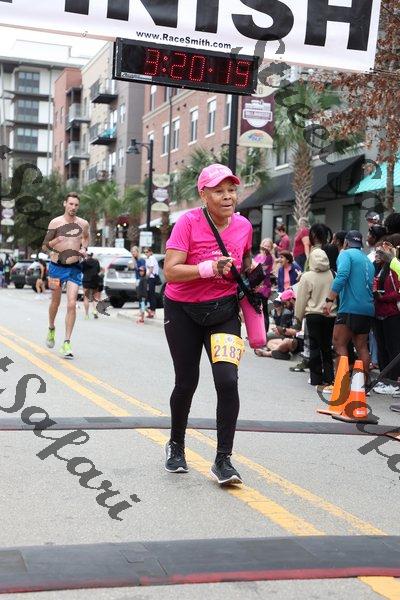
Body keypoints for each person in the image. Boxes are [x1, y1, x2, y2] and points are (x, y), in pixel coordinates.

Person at [163, 163, 255, 486]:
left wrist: (254, 276)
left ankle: (223, 460)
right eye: (219, 191)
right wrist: (208, 268)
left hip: (224, 311)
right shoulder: (187, 223)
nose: (228, 196)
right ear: (204, 195)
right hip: (182, 311)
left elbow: (245, 260)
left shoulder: (244, 226)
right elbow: (171, 271)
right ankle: (176, 445)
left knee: (228, 381)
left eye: (231, 190)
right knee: (186, 381)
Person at [42, 192, 89, 359]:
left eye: (76, 205)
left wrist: (84, 249)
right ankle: (51, 327)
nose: (73, 207)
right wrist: (57, 240)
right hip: (56, 268)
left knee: (71, 304)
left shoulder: (83, 224)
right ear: (65, 204)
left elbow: (86, 238)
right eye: (71, 204)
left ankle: (67, 342)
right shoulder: (55, 223)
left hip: (74, 268)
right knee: (55, 302)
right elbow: (45, 246)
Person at [323, 230, 375, 377]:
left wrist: (329, 300)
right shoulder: (367, 260)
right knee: (362, 347)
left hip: (350, 307)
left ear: (346, 242)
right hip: (367, 308)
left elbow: (342, 276)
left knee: (339, 343)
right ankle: (363, 384)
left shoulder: (345, 254)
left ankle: (341, 384)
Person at [295, 249, 336, 387]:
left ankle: (315, 378)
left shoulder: (307, 276)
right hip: (330, 314)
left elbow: (301, 300)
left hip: (313, 315)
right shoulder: (332, 274)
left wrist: (298, 318)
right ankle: (329, 377)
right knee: (326, 346)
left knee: (314, 346)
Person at [371, 239, 400, 395]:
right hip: (379, 313)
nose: (377, 255)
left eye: (380, 252)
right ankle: (384, 378)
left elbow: (397, 292)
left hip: (391, 313)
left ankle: (393, 382)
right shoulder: (378, 268)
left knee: (392, 348)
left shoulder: (394, 268)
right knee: (381, 347)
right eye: (376, 252)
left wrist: (383, 297)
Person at [253, 238, 274, 334]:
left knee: (264, 310)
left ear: (271, 248)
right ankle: (257, 332)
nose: (266, 247)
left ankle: (264, 333)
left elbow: (261, 269)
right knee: (256, 311)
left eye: (268, 246)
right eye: (265, 245)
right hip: (256, 286)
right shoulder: (258, 256)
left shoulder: (269, 257)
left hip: (264, 287)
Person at [81, 252, 101, 320]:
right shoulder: (96, 261)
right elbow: (98, 270)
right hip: (95, 280)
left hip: (86, 280)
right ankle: (95, 310)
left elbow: (82, 271)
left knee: (86, 298)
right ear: (92, 255)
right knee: (95, 297)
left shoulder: (84, 262)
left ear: (87, 255)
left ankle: (86, 315)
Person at [144, 247, 159, 318]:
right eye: (145, 252)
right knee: (149, 294)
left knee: (151, 294)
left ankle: (153, 311)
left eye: (147, 252)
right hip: (149, 278)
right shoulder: (148, 259)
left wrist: (146, 277)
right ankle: (150, 311)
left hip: (151, 278)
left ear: (150, 252)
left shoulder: (152, 258)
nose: (146, 253)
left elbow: (151, 268)